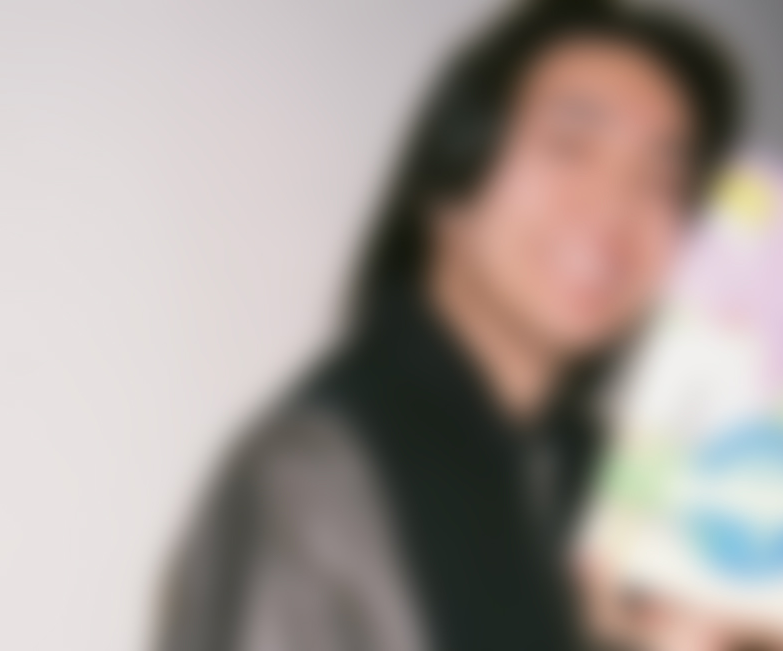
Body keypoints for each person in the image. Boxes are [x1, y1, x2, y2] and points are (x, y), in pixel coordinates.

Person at [157, 1, 742, 650]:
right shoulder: (315, 477)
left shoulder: (618, 488)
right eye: (570, 148)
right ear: (449, 181)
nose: (616, 205)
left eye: (662, 179)